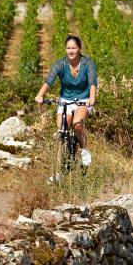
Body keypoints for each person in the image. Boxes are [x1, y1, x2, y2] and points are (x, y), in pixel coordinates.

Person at [35, 35, 97, 167]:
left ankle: (84, 149)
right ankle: (58, 170)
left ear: (79, 48)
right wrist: (40, 95)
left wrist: (92, 99)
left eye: (74, 48)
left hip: (83, 100)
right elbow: (48, 81)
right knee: (61, 131)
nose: (71, 51)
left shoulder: (88, 64)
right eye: (68, 48)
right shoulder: (60, 64)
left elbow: (92, 83)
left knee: (77, 125)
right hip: (65, 100)